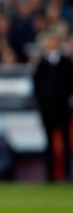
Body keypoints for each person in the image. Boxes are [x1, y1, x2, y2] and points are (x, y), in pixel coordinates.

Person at [33, 32, 73, 182]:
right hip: (47, 110)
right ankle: (50, 175)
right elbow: (37, 86)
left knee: (66, 143)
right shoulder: (42, 63)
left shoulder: (65, 62)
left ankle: (67, 174)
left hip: (63, 109)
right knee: (48, 143)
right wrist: (42, 103)